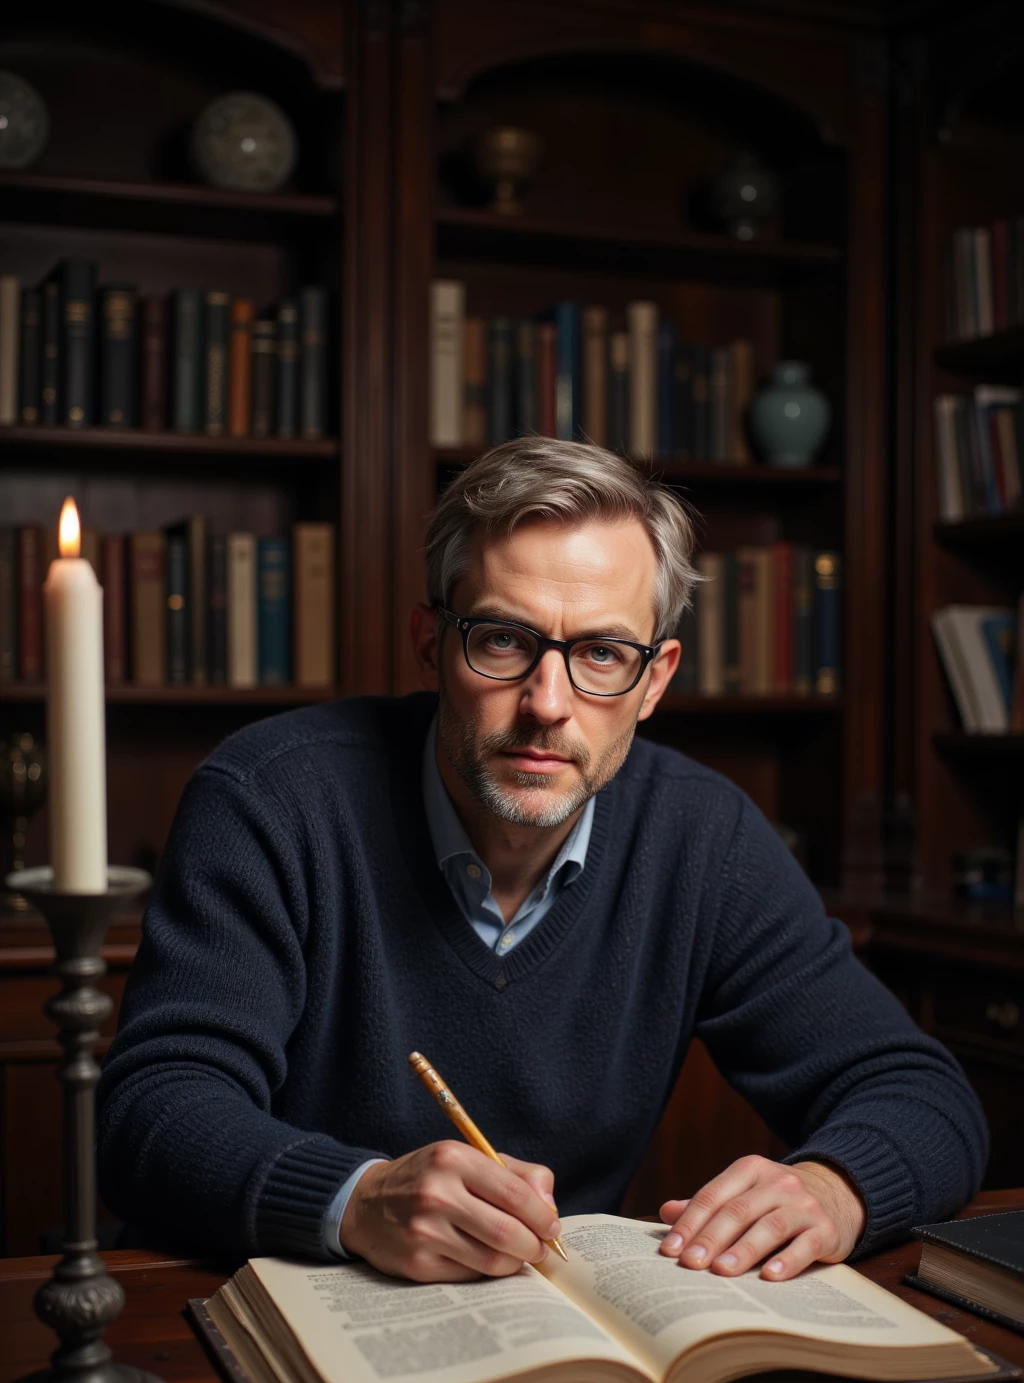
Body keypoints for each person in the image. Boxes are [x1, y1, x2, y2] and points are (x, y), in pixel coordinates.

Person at [97, 438, 988, 1285]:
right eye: (502, 640)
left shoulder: (703, 839)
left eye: (603, 653)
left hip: (557, 1337)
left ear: (656, 680)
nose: (548, 704)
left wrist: (836, 1188)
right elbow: (153, 1111)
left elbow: (922, 1095)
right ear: (431, 643)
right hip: (275, 1326)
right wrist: (356, 1200)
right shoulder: (269, 798)